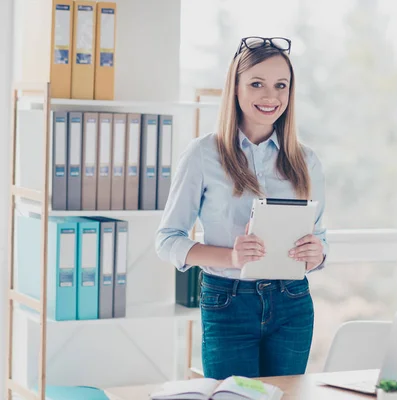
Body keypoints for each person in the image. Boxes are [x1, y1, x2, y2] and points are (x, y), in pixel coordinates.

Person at [155, 36, 328, 379]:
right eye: (256, 84)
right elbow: (167, 240)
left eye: (281, 85)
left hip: (292, 302)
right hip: (227, 302)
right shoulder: (203, 154)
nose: (271, 96)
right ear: (235, 88)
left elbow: (320, 241)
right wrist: (231, 258)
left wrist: (317, 252)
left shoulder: (306, 161)